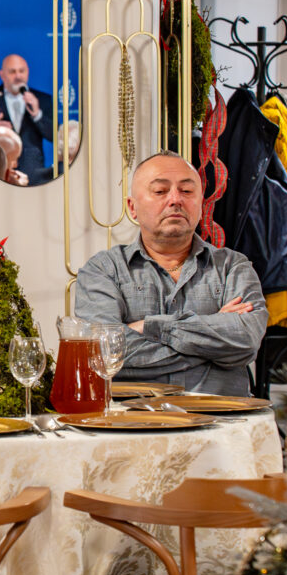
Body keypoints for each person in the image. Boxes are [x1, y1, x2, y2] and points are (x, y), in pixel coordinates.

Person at [74, 150, 268, 396]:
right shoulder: (103, 270)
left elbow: (246, 340)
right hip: (132, 416)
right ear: (132, 207)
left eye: (187, 191)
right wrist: (213, 343)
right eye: (160, 191)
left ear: (201, 204)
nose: (176, 199)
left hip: (222, 416)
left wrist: (149, 327)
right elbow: (103, 354)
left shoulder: (232, 267)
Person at [0, 53, 55, 184]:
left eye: (22, 71)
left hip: (33, 175)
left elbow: (55, 135)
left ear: (28, 72)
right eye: (12, 72)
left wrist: (37, 115)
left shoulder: (42, 99)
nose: (18, 76)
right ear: (2, 75)